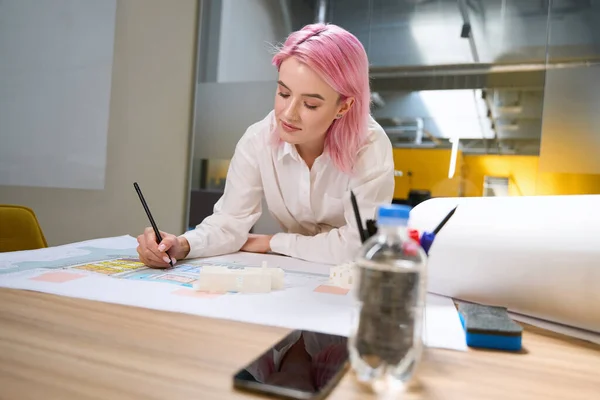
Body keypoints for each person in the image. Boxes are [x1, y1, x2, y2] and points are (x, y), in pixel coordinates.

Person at [136, 23, 395, 267]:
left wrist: (273, 242)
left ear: (344, 106)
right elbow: (229, 223)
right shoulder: (258, 139)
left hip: (351, 282)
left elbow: (361, 244)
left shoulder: (369, 145)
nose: (288, 114)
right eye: (283, 93)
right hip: (296, 274)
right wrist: (182, 245)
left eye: (310, 104)